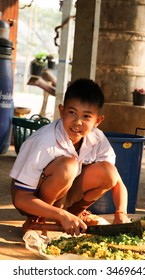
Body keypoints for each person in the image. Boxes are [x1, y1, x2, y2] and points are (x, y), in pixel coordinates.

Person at [10, 78, 130, 237]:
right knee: (69, 166)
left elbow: (116, 180)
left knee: (109, 172)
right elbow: (21, 198)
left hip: (65, 192)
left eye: (87, 116)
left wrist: (121, 212)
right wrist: (60, 214)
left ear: (98, 121)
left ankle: (75, 214)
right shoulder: (44, 142)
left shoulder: (97, 139)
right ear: (61, 111)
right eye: (72, 113)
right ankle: (38, 218)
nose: (78, 122)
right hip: (30, 198)